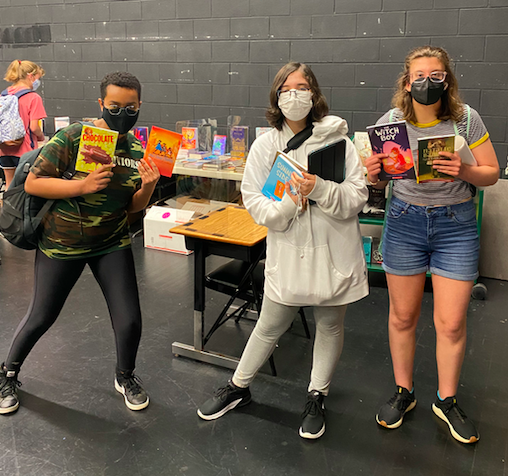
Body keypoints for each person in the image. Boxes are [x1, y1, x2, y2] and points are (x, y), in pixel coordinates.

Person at [197, 62, 369, 440]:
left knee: (329, 324)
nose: (295, 95)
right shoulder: (265, 146)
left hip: (333, 252)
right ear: (276, 97)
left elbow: (357, 196)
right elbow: (256, 204)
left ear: (314, 93)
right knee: (269, 324)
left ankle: (317, 395)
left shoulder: (337, 140)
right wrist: (292, 203)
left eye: (302, 87)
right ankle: (238, 386)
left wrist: (319, 188)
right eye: (286, 89)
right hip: (289, 251)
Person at [0, 71, 160, 414]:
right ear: (101, 103)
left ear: (139, 106)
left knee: (129, 319)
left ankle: (125, 376)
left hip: (111, 242)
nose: (122, 114)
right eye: (114, 106)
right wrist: (81, 186)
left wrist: (147, 187)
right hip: (63, 243)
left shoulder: (135, 148)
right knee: (41, 315)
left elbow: (131, 207)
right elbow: (34, 183)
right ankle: (7, 373)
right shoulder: (74, 137)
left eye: (130, 108)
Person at [366, 46, 499, 444]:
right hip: (404, 222)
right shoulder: (391, 123)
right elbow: (378, 179)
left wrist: (465, 170)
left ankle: (446, 399)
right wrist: (374, 174)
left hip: (455, 226)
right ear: (407, 83)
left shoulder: (466, 119)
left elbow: (491, 173)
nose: (427, 82)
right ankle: (403, 392)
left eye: (436, 75)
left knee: (452, 322)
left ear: (447, 79)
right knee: (402, 316)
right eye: (419, 76)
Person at [0, 60, 46, 190]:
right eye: (38, 78)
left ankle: (6, 204)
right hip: (25, 150)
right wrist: (41, 137)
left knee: (9, 185)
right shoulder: (33, 98)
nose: (38, 82)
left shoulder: (4, 94)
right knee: (26, 187)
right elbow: (34, 127)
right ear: (30, 76)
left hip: (4, 148)